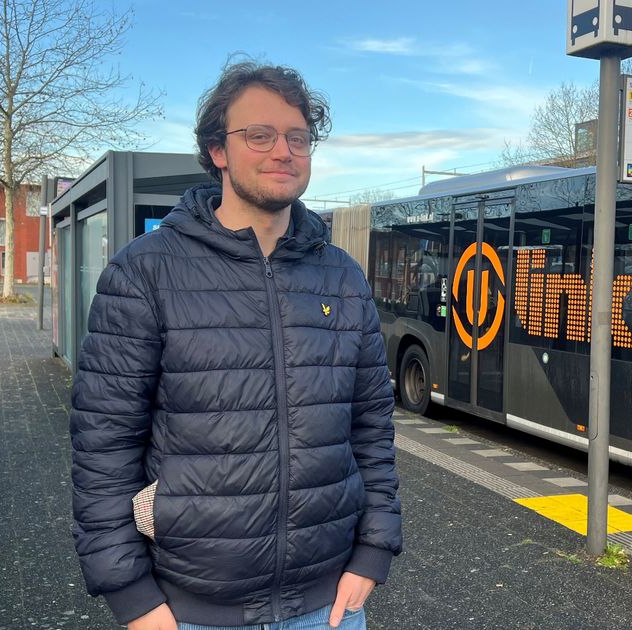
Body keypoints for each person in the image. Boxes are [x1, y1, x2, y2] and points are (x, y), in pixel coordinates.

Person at [69, 61, 402, 630]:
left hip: (329, 607)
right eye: (260, 135)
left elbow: (371, 427)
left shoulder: (342, 277)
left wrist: (374, 553)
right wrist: (132, 596)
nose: (284, 151)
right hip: (189, 610)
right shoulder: (145, 273)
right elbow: (103, 447)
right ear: (217, 151)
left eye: (298, 137)